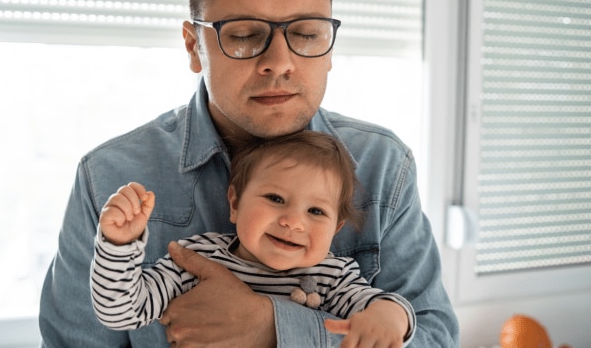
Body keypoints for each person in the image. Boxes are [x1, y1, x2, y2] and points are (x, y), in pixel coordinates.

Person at [39, 0, 460, 347]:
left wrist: (275, 330)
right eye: (242, 34)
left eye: (308, 33)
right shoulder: (108, 177)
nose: (279, 62)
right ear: (193, 46)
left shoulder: (385, 167)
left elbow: (431, 335)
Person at [90, 131, 416, 347]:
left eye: (316, 211)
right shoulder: (197, 258)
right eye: (275, 198)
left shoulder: (331, 277)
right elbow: (121, 312)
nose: (293, 222)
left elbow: (376, 307)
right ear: (235, 203)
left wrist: (390, 316)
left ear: (336, 228)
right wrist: (119, 245)